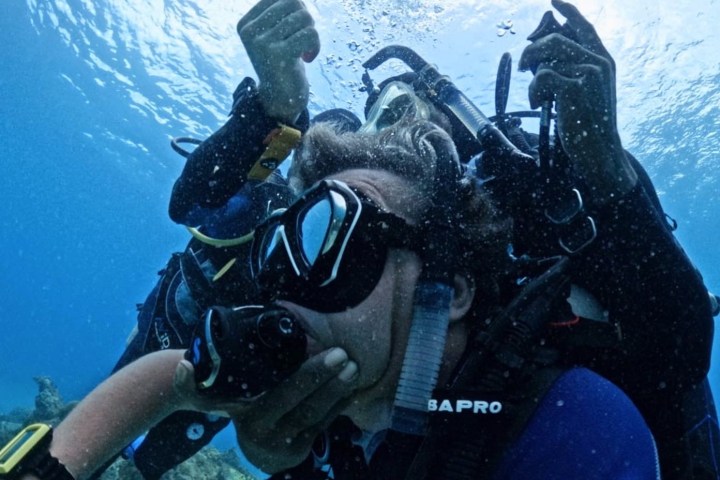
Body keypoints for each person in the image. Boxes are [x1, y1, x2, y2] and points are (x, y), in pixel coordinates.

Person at [7, 114, 662, 480]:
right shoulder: (323, 374)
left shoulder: (571, 427)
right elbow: (171, 378)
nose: (291, 286)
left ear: (451, 292)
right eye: (283, 247)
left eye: (337, 238)